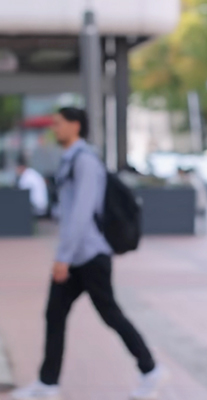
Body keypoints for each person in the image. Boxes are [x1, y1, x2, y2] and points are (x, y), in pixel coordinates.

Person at [12, 108, 168, 400]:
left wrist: (63, 257)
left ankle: (150, 368)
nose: (55, 128)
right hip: (78, 256)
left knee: (110, 314)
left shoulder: (84, 161)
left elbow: (81, 213)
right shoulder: (71, 159)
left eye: (59, 123)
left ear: (75, 126)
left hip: (89, 256)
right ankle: (47, 384)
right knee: (56, 314)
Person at [15, 154, 49, 218]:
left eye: (17, 168)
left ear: (21, 167)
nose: (16, 170)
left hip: (37, 207)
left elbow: (22, 196)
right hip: (41, 206)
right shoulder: (31, 173)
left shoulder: (27, 177)